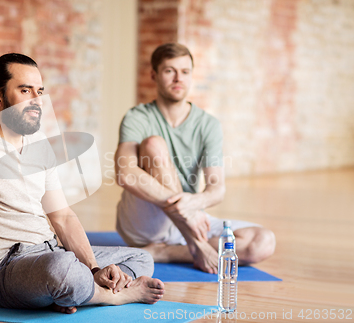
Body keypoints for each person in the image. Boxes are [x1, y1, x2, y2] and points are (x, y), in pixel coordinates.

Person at [0, 53, 164, 314]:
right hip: (2, 271)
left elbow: (62, 215)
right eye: (25, 90)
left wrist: (94, 269)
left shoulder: (38, 144)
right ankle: (118, 295)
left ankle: (72, 292)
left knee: (140, 258)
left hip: (48, 252)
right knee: (61, 270)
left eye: (39, 91)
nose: (36, 100)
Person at [114, 43, 276, 274]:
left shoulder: (208, 124)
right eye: (170, 71)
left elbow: (216, 189)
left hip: (189, 216)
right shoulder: (137, 117)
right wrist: (189, 217)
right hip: (146, 218)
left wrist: (194, 204)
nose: (178, 78)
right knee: (153, 144)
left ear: (191, 76)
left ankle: (162, 252)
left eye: (185, 72)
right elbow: (125, 173)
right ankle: (196, 244)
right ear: (154, 75)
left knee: (262, 242)